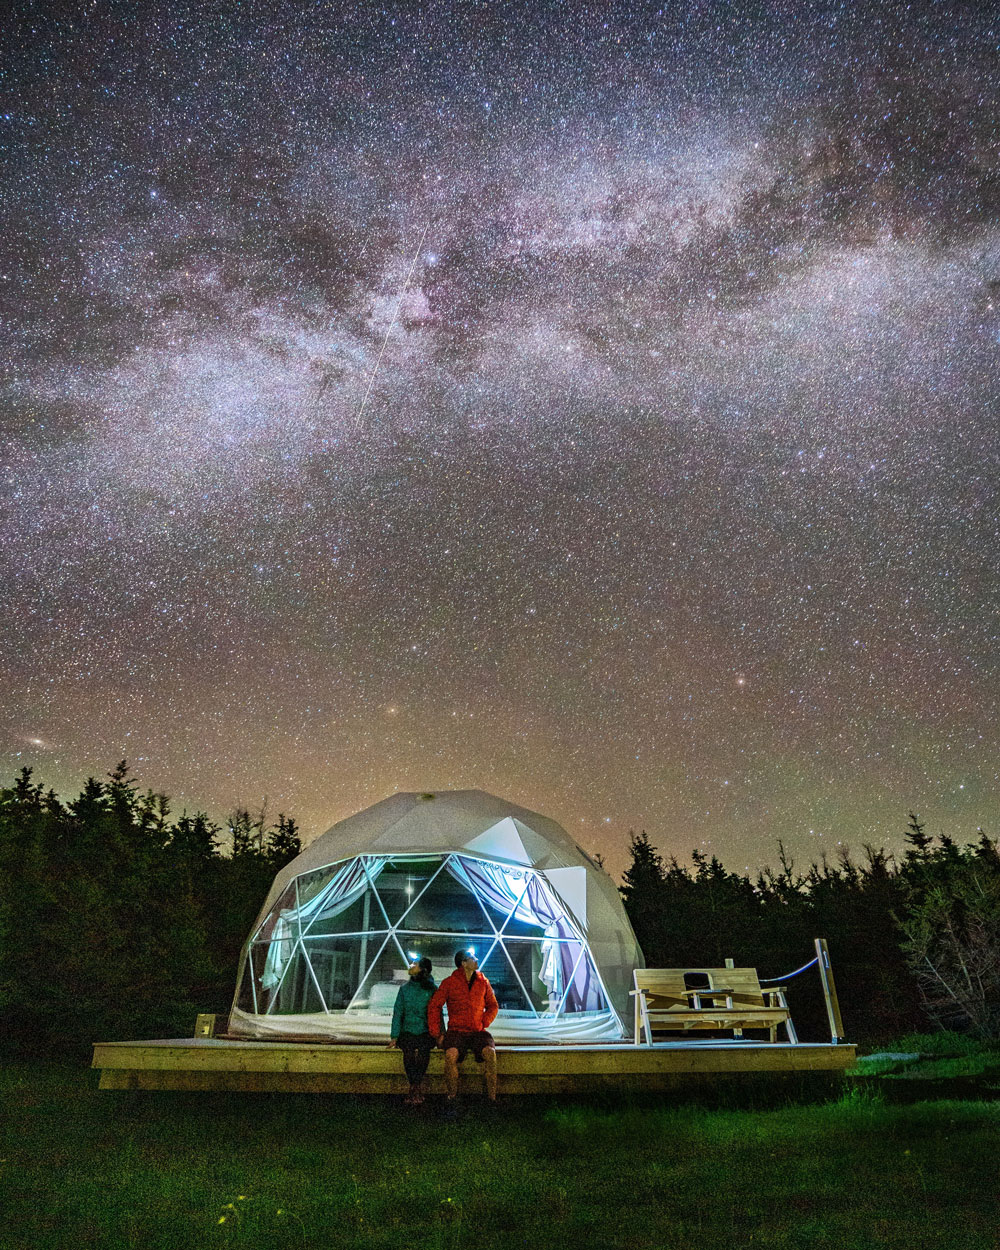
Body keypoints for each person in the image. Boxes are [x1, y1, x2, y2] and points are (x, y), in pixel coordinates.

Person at [428, 949, 499, 1110]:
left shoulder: (483, 982)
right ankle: (452, 1097)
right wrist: (437, 1033)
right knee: (451, 1054)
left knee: (490, 1053)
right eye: (472, 958)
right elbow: (434, 1006)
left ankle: (491, 1099)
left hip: (477, 1031)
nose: (476, 959)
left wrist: (484, 1022)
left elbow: (493, 1005)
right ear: (463, 963)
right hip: (457, 1031)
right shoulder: (450, 982)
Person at [388, 956, 437, 1105]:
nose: (410, 965)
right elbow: (398, 1012)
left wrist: (440, 1034)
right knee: (408, 1051)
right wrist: (394, 1036)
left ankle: (414, 1087)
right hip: (408, 1030)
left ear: (423, 969)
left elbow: (437, 1013)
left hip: (425, 1031)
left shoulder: (432, 989)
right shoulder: (404, 990)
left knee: (424, 1051)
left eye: (414, 964)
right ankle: (415, 1087)